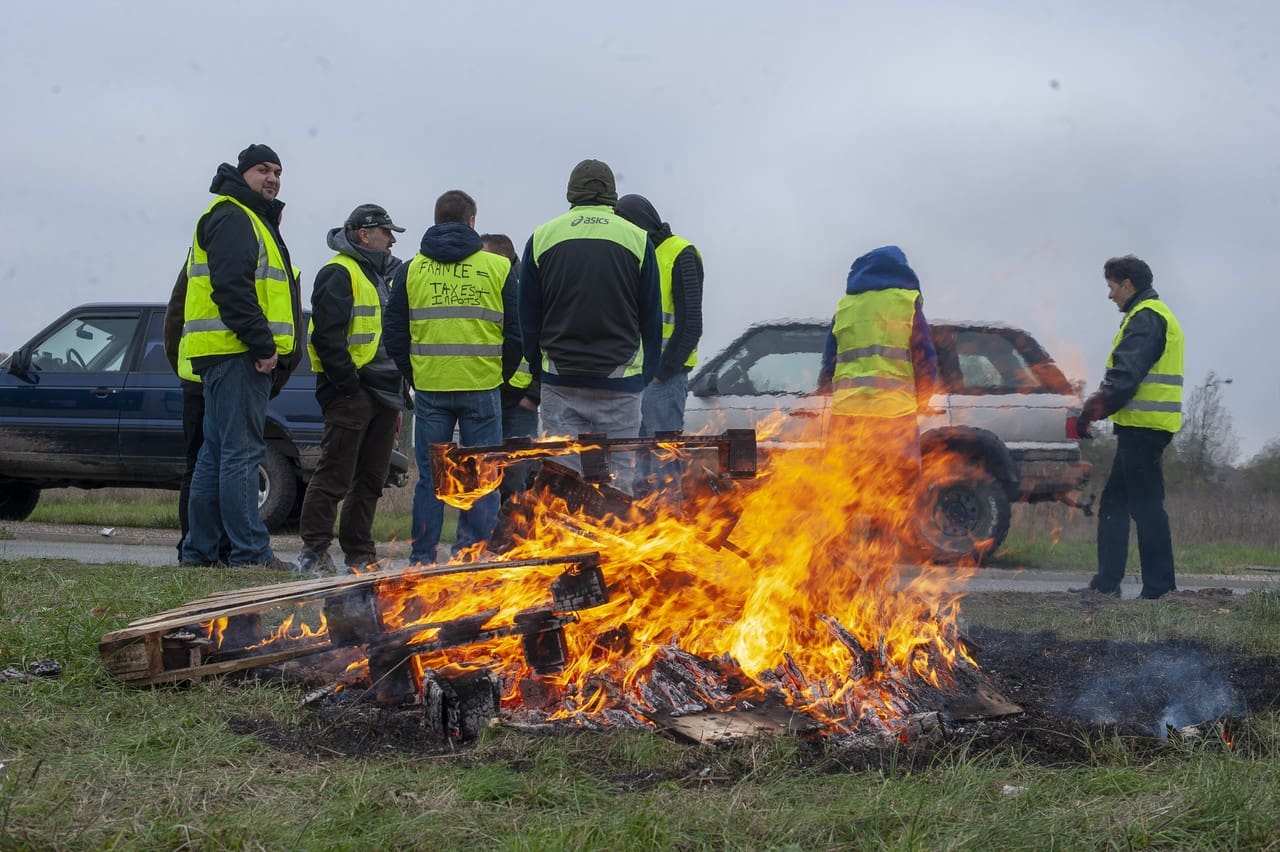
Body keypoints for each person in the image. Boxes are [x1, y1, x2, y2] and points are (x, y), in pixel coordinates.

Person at [178, 144, 302, 571]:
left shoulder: (242, 216)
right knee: (241, 453)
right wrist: (263, 345)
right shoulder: (234, 216)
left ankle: (200, 552)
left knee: (216, 454)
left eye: (278, 172)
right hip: (237, 354)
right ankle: (251, 553)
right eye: (263, 170)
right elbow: (232, 287)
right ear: (242, 172)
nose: (272, 178)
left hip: (223, 353)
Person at [384, 190, 520, 564]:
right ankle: (471, 556)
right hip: (482, 386)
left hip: (431, 388)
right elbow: (516, 333)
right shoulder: (498, 268)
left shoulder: (410, 270)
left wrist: (415, 373)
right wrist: (499, 375)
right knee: (482, 477)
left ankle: (423, 558)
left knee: (430, 480)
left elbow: (394, 331)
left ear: (436, 219)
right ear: (471, 222)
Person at [518, 159, 661, 492]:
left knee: (560, 480)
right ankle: (611, 543)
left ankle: (567, 543)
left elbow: (528, 317)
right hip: (620, 382)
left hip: (561, 379)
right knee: (617, 483)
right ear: (611, 194)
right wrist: (645, 373)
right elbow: (651, 317)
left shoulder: (542, 237)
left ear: (571, 193)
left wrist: (540, 372)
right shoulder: (638, 240)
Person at [296, 204, 409, 575]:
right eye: (386, 232)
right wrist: (348, 387)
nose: (392, 240)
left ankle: (359, 553)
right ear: (365, 233)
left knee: (371, 480)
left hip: (384, 391)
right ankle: (314, 551)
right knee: (335, 475)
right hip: (354, 391)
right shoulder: (338, 272)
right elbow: (327, 338)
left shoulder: (383, 275)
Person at [1077, 254, 1184, 600]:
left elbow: (1125, 377)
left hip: (1144, 428)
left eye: (1111, 286)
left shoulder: (1147, 318)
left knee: (1145, 505)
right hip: (1141, 427)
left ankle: (1158, 589)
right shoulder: (1147, 315)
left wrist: (1091, 411)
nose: (1109, 295)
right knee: (1115, 505)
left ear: (1127, 284)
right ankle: (1108, 584)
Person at [817, 245, 938, 536]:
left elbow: (828, 362)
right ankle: (878, 569)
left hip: (847, 417)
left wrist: (825, 391)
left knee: (845, 494)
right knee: (889, 494)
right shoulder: (906, 303)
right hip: (893, 417)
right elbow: (925, 357)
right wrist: (922, 399)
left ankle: (840, 568)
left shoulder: (846, 306)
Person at [614, 194, 703, 499]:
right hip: (635, 379)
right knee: (638, 463)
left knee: (663, 464)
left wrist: (661, 373)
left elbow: (691, 324)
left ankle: (668, 529)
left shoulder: (680, 253)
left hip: (664, 379)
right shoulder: (637, 254)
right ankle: (642, 534)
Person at [481, 232, 541, 504]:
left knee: (518, 477)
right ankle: (494, 537)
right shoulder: (489, 287)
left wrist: (534, 395)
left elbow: (546, 342)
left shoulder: (530, 290)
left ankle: (518, 536)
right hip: (491, 396)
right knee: (487, 473)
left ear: (503, 257)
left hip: (520, 402)